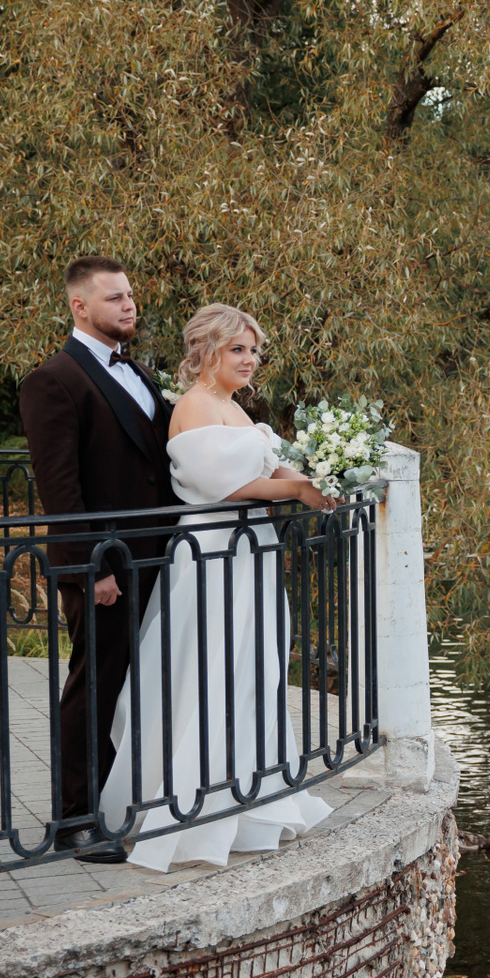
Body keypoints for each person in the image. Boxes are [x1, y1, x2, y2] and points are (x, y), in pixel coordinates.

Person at [97, 303, 338, 872]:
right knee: (208, 670)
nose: (249, 360)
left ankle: (247, 796)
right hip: (213, 554)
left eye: (254, 350)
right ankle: (189, 809)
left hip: (249, 553)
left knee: (250, 670)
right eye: (238, 349)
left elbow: (270, 469)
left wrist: (319, 480)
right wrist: (297, 491)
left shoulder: (234, 407)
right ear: (207, 351)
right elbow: (223, 486)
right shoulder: (195, 406)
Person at [19, 257, 178, 863]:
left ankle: (118, 800)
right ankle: (75, 820)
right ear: (79, 307)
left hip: (157, 556)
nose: (128, 305)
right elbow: (60, 489)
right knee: (95, 684)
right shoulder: (52, 380)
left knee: (136, 682)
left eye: (130, 295)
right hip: (105, 565)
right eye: (114, 298)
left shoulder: (138, 371)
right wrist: (96, 569)